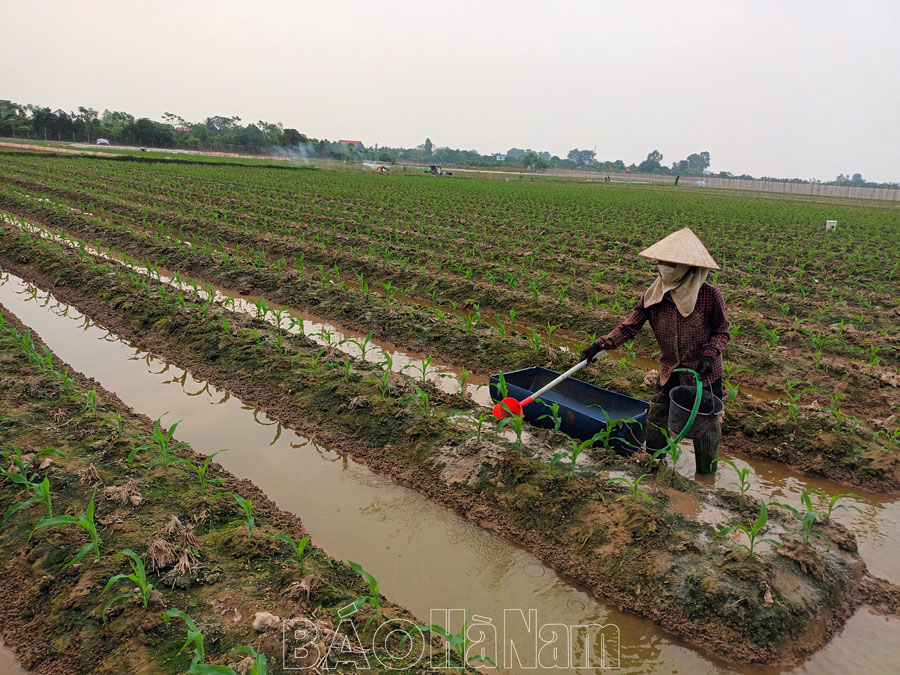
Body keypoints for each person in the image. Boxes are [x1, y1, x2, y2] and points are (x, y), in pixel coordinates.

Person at [581, 227, 729, 474]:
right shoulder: (654, 295)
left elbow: (722, 331)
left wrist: (709, 355)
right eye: (661, 262)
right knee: (656, 418)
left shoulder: (709, 295)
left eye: (669, 263)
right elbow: (630, 326)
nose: (663, 266)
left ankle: (706, 475)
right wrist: (601, 344)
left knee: (706, 428)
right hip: (671, 370)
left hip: (704, 374)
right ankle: (653, 464)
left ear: (685, 267)